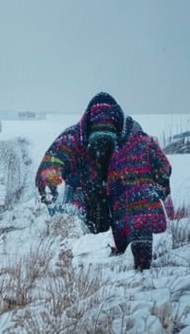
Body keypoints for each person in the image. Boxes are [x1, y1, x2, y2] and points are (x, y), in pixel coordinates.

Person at [36, 92, 172, 271]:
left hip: (115, 194)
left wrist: (48, 186)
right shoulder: (137, 139)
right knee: (135, 204)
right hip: (94, 192)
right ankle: (125, 255)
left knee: (134, 200)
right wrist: (161, 190)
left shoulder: (75, 138)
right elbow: (163, 169)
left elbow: (51, 164)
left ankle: (95, 254)